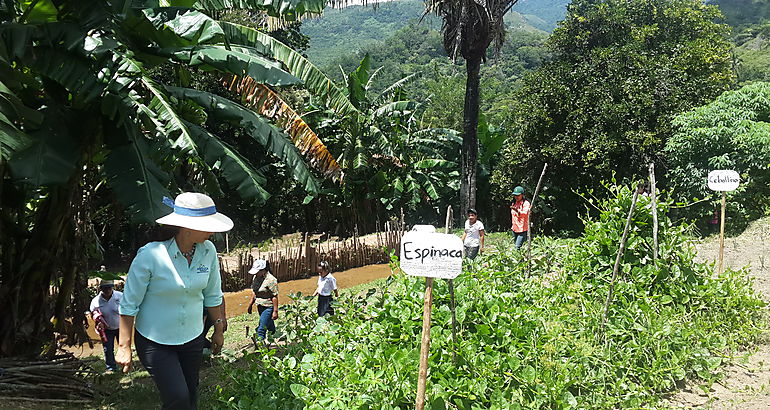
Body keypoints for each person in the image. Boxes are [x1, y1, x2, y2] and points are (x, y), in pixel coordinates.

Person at [116, 192, 231, 410]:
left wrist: (218, 329)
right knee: (178, 398)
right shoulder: (151, 255)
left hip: (193, 337)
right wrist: (124, 347)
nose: (213, 230)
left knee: (190, 395)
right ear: (188, 227)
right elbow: (129, 304)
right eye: (208, 225)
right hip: (155, 341)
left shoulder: (208, 251)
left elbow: (213, 295)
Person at [89, 279, 122, 373]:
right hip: (106, 329)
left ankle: (126, 364)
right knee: (108, 348)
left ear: (112, 287)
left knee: (123, 346)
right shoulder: (95, 301)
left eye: (109, 288)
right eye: (104, 288)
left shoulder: (120, 296)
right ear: (101, 289)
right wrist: (97, 321)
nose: (107, 290)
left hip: (121, 327)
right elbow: (93, 314)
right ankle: (111, 367)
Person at [246, 259, 278, 341]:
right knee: (269, 323)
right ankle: (274, 335)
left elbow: (274, 296)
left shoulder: (271, 280)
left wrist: (275, 311)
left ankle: (260, 346)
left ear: (263, 270)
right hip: (259, 305)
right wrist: (250, 305)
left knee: (261, 328)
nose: (256, 273)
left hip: (268, 306)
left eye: (257, 272)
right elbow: (255, 292)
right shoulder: (256, 278)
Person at [510, 186, 531, 250]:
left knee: (517, 247)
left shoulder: (526, 204)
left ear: (522, 195)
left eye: (518, 195)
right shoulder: (514, 203)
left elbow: (524, 214)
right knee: (516, 247)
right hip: (514, 229)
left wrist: (516, 210)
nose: (516, 197)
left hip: (522, 230)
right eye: (515, 195)